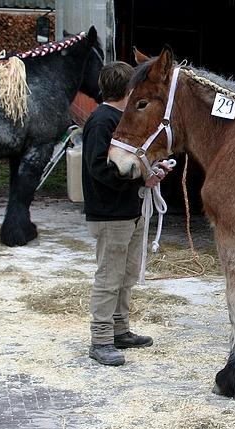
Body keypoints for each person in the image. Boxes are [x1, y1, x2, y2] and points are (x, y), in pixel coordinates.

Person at [82, 61, 172, 366]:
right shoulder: (101, 121)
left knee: (127, 273)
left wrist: (151, 171)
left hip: (129, 212)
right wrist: (139, 179)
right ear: (130, 90)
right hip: (111, 215)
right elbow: (99, 168)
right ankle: (101, 339)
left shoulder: (119, 120)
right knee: (109, 277)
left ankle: (120, 330)